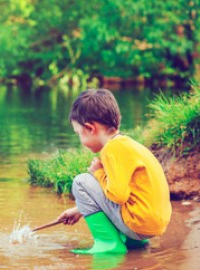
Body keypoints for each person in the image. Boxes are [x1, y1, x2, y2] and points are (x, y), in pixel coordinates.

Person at [58, 89, 172, 254]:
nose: (80, 140)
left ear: (90, 128)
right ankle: (133, 242)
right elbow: (130, 192)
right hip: (153, 224)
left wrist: (98, 173)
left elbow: (118, 195)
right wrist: (79, 210)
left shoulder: (111, 149)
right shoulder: (130, 145)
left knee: (81, 182)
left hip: (138, 224)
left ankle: (108, 244)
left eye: (78, 133)